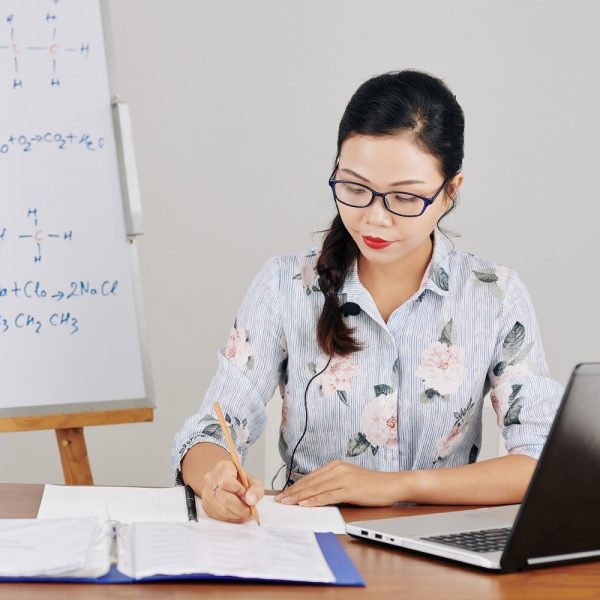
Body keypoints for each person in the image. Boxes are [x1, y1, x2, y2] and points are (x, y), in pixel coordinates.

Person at [171, 69, 564, 524]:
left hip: (440, 548)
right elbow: (210, 430)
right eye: (354, 188)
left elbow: (540, 461)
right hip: (315, 540)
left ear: (450, 191)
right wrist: (214, 477)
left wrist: (395, 486)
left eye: (404, 197)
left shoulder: (494, 296)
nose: (374, 219)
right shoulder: (286, 286)